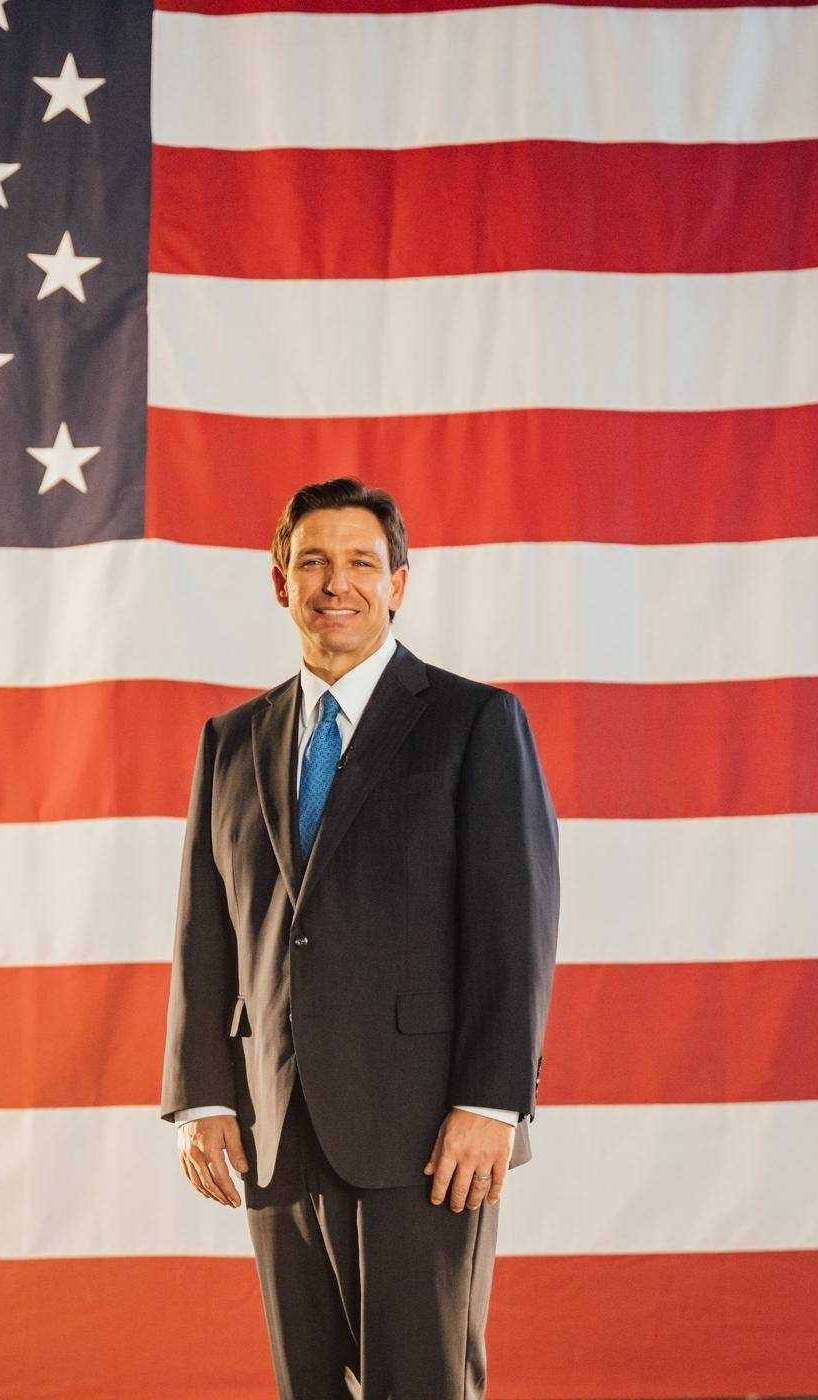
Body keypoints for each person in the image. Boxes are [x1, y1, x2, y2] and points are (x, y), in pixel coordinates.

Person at [160, 476, 561, 1398]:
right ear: (279, 582)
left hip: (427, 1131)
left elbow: (516, 926)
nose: (334, 582)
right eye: (312, 562)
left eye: (359, 563)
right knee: (309, 1385)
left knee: (418, 1383)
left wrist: (493, 1103)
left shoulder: (473, 723)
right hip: (274, 1125)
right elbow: (204, 932)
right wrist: (201, 1098)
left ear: (399, 582)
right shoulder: (231, 741)